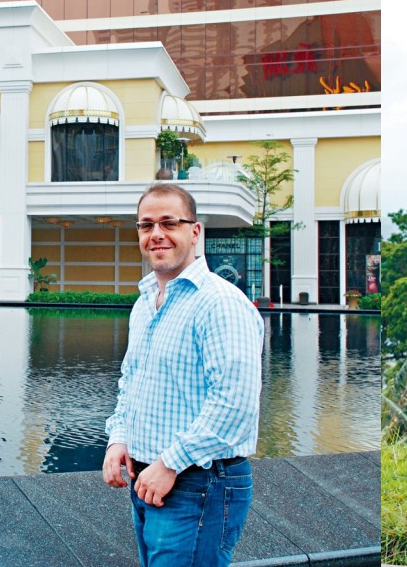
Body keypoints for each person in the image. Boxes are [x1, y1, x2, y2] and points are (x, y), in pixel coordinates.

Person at [102, 182, 264, 567]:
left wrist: (170, 463)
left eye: (169, 223)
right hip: (150, 478)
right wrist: (119, 437)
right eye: (146, 225)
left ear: (195, 232)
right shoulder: (145, 303)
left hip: (199, 483)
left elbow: (234, 404)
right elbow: (131, 381)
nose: (156, 234)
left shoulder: (220, 303)